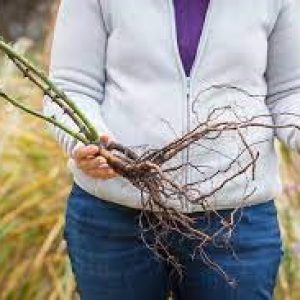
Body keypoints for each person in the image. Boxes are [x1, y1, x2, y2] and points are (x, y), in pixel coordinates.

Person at [43, 0, 300, 299]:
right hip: (114, 220)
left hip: (235, 222)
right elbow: (71, 87)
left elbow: (289, 91)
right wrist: (86, 141)